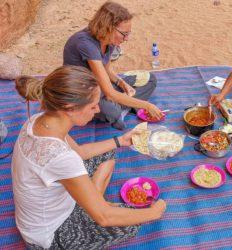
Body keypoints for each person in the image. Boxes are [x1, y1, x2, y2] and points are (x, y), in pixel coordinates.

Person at [12, 65, 166, 249]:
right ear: (69, 108)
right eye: (93, 106)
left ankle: (92, 200)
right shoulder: (60, 157)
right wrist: (154, 212)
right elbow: (104, 218)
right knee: (130, 219)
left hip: (40, 216)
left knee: (107, 152)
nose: (98, 110)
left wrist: (120, 141)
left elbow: (80, 153)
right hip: (49, 236)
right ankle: (91, 204)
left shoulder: (37, 120)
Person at [63, 1, 163, 130]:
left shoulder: (109, 40)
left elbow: (107, 70)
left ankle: (122, 106)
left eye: (128, 33)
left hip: (100, 85)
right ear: (108, 27)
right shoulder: (86, 44)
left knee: (150, 79)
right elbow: (109, 93)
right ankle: (120, 109)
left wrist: (122, 83)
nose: (126, 38)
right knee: (111, 111)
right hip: (83, 93)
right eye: (124, 33)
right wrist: (147, 106)